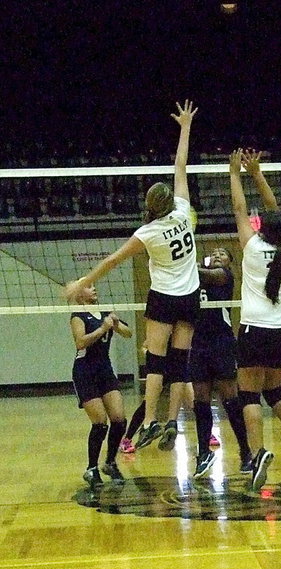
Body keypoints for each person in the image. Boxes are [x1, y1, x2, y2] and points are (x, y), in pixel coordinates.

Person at [65, 101, 200, 456]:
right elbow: (181, 165)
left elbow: (111, 260)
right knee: (180, 364)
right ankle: (173, 421)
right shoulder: (185, 213)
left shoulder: (149, 232)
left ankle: (152, 419)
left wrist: (82, 281)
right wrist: (185, 126)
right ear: (169, 202)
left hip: (165, 298)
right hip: (190, 297)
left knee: (155, 361)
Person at [229, 149, 281, 492]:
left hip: (255, 329)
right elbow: (275, 211)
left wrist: (235, 173)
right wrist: (257, 173)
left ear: (262, 229)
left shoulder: (251, 247)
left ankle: (258, 453)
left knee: (248, 394)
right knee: (275, 388)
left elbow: (238, 209)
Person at [190, 247, 253, 477]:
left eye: (223, 254)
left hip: (222, 343)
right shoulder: (195, 279)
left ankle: (246, 453)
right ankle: (203, 452)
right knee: (201, 400)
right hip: (197, 344)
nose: (217, 256)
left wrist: (188, 266)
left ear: (229, 262)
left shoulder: (225, 276)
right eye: (214, 253)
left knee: (230, 398)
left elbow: (206, 274)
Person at [70, 283, 133, 487]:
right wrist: (103, 328)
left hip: (105, 371)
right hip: (85, 372)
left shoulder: (106, 312)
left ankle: (110, 462)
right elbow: (80, 342)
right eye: (89, 286)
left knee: (119, 419)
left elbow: (128, 333)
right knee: (99, 423)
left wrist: (115, 324)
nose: (94, 288)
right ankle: (91, 468)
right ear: (80, 294)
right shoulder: (78, 316)